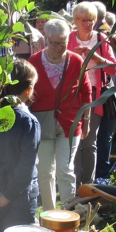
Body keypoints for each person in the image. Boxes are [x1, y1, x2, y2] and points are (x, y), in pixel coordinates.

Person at [29, 18, 92, 209]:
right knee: (45, 171)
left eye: (63, 43)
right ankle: (49, 215)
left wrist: (87, 120)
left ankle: (68, 212)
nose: (58, 48)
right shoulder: (34, 61)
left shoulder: (76, 61)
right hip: (43, 123)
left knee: (65, 170)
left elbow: (86, 91)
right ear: (46, 39)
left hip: (70, 123)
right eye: (54, 43)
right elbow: (27, 93)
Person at [0, 59, 41, 232]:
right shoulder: (28, 122)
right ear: (28, 90)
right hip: (19, 197)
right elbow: (26, 165)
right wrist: (8, 195)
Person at [67, 2, 116, 185]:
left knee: (89, 142)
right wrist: (72, 56)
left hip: (95, 97)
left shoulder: (101, 39)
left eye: (90, 20)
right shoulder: (68, 38)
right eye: (83, 20)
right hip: (72, 96)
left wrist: (96, 57)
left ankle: (88, 184)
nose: (87, 24)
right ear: (75, 20)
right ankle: (74, 184)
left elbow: (113, 69)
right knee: (74, 141)